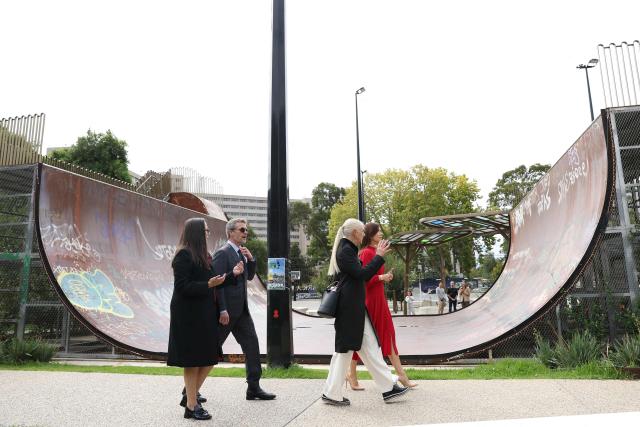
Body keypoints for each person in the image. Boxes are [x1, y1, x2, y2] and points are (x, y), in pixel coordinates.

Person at [322, 218, 408, 406]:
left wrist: (377, 257)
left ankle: (388, 387)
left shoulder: (348, 250)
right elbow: (362, 275)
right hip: (350, 311)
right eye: (362, 231)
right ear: (354, 233)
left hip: (355, 310)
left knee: (369, 349)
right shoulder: (345, 252)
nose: (364, 234)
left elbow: (361, 275)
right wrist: (378, 256)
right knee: (345, 352)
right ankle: (331, 392)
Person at [168, 218, 232, 420]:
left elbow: (214, 282)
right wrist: (207, 285)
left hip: (204, 314)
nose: (207, 233)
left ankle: (190, 395)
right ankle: (192, 405)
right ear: (196, 232)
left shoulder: (204, 256)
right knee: (193, 361)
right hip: (187, 316)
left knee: (210, 358)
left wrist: (233, 275)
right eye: (204, 230)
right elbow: (182, 287)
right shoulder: (183, 256)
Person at [346, 222, 417, 391]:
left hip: (379, 300)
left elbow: (373, 276)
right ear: (369, 234)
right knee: (369, 338)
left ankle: (353, 375)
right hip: (371, 302)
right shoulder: (365, 253)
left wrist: (384, 277)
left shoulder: (375, 252)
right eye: (378, 232)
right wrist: (381, 277)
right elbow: (362, 279)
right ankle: (401, 376)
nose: (381, 234)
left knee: (384, 335)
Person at [212, 218, 276, 400]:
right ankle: (190, 392)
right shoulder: (223, 253)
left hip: (242, 312)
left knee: (252, 347)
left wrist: (251, 259)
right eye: (242, 230)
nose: (245, 233)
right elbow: (219, 283)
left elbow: (249, 277)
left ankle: (253, 388)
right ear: (231, 232)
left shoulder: (241, 253)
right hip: (226, 313)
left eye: (246, 230)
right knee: (209, 350)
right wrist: (222, 310)